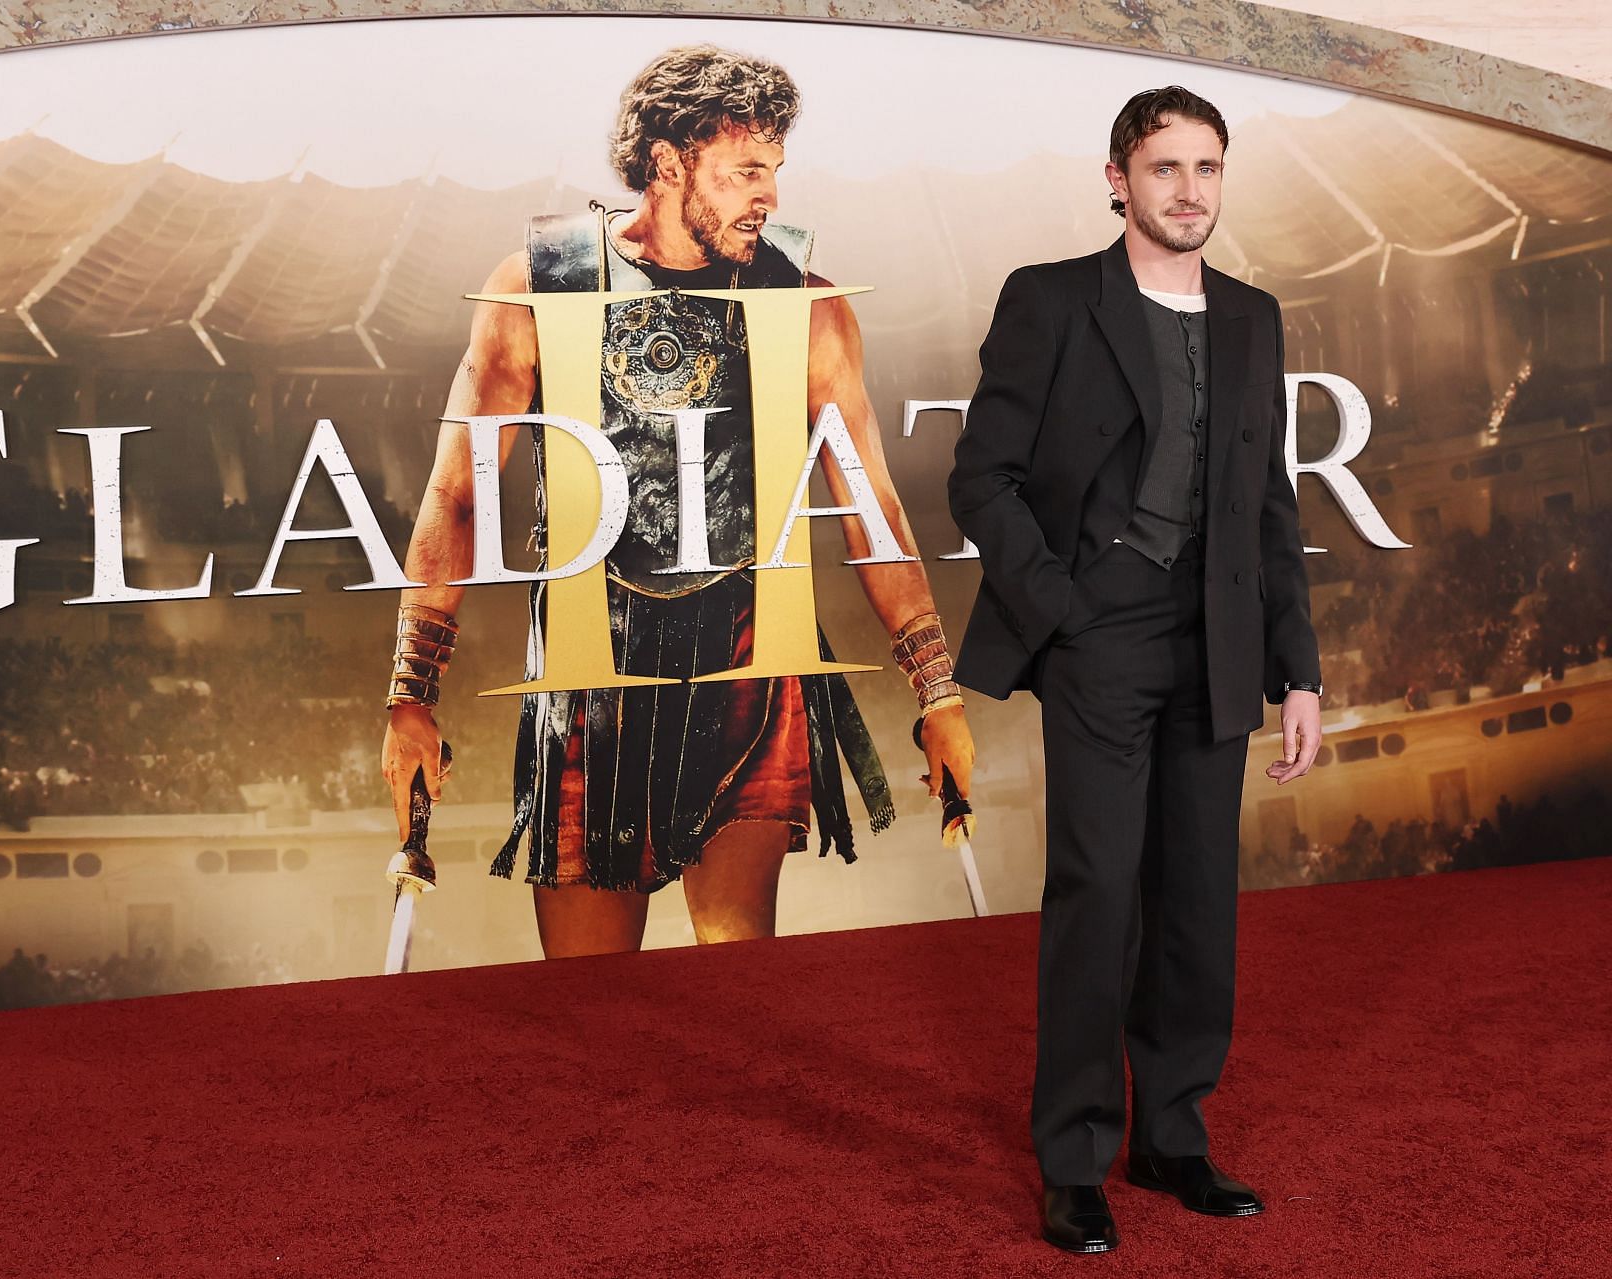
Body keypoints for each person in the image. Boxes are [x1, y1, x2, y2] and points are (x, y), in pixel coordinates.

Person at [380, 44, 976, 957]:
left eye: (774, 171)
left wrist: (937, 690)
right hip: (592, 664)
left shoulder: (806, 303)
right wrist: (410, 694)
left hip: (749, 657)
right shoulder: (538, 284)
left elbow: (871, 506)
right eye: (744, 171)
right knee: (595, 1011)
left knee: (735, 983)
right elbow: (459, 494)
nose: (768, 194)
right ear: (669, 163)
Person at [947, 86, 1323, 1254]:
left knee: (1199, 902)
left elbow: (1268, 505)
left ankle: (1171, 1133)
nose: (1190, 191)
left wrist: (1296, 669)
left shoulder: (1255, 317)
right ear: (1119, 178)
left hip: (1216, 637)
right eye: (1166, 169)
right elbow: (981, 479)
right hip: (1099, 636)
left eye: (1208, 168)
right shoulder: (1053, 299)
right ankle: (1073, 1156)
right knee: (1100, 895)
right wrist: (1063, 613)